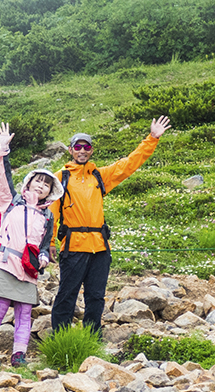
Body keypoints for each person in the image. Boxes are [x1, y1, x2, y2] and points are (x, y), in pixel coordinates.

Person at [50, 116, 171, 334]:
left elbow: (129, 164)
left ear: (91, 150)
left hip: (100, 248)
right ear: (70, 150)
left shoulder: (100, 176)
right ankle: (60, 339)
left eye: (86, 147)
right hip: (73, 246)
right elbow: (51, 214)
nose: (82, 151)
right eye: (78, 147)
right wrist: (49, 243)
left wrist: (152, 138)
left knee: (96, 296)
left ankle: (92, 338)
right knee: (67, 294)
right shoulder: (61, 178)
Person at [0, 123, 64, 369]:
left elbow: (46, 245)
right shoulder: (11, 202)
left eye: (46, 184)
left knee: (25, 313)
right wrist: (2, 149)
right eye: (37, 181)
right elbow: (2, 178)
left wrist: (45, 258)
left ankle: (19, 356)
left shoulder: (47, 216)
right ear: (28, 184)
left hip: (28, 269)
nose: (41, 186)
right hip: (5, 263)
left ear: (51, 191)